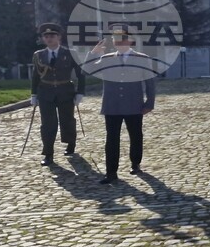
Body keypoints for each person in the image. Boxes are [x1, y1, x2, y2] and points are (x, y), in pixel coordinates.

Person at [88, 25, 156, 184]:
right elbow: (88, 70)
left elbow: (150, 82)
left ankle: (135, 163)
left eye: (123, 39)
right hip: (112, 105)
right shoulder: (107, 59)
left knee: (136, 135)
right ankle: (111, 172)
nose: (119, 42)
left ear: (130, 41)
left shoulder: (141, 58)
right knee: (112, 139)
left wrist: (150, 102)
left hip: (134, 104)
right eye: (116, 40)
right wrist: (93, 54)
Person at [30, 22, 85, 163]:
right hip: (45, 92)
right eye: (46, 36)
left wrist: (80, 92)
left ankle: (70, 143)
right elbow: (36, 76)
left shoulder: (70, 53)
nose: (49, 39)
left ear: (59, 37)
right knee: (48, 124)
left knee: (67, 120)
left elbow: (81, 74)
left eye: (52, 36)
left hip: (65, 91)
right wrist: (34, 94)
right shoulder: (39, 55)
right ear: (43, 38)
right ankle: (48, 153)